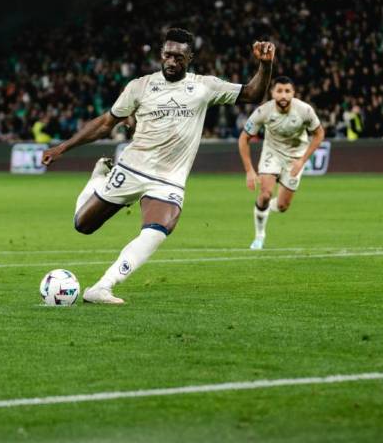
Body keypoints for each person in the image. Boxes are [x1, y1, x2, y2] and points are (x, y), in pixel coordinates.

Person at [41, 28, 275, 304]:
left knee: (158, 229)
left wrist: (265, 64)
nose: (172, 61)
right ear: (161, 54)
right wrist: (63, 147)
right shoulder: (139, 86)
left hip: (168, 179)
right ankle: (98, 177)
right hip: (131, 168)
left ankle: (102, 287)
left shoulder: (205, 86)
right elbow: (106, 123)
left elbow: (252, 93)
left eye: (179, 56)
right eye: (167, 54)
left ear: (190, 58)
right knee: (83, 225)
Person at [237, 76, 324, 249]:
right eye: (279, 91)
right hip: (272, 153)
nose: (283, 95)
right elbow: (243, 139)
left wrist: (302, 161)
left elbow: (319, 134)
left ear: (293, 93)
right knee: (265, 194)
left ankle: (265, 209)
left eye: (287, 91)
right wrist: (249, 171)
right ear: (272, 93)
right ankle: (259, 236)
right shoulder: (263, 112)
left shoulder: (304, 111)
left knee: (283, 206)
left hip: (295, 157)